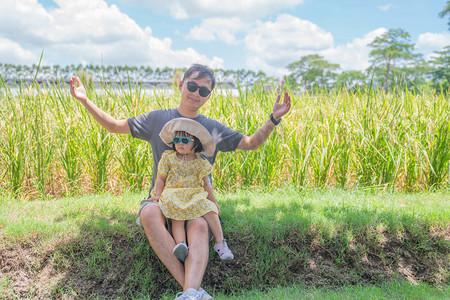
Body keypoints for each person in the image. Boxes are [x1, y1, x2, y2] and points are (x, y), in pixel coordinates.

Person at [69, 63, 291, 300]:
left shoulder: (212, 129)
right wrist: (84, 100)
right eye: (192, 86)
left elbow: (251, 143)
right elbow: (114, 125)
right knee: (148, 214)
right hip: (164, 200)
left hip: (196, 201)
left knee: (201, 226)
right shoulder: (157, 119)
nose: (196, 93)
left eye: (203, 91)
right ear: (181, 84)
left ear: (208, 96)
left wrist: (273, 119)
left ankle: (189, 294)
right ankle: (192, 292)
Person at [151, 118, 234, 263]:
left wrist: (213, 203)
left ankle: (220, 243)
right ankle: (181, 245)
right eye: (177, 140)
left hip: (195, 194)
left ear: (196, 142)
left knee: (210, 209)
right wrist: (158, 194)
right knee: (177, 216)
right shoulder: (168, 158)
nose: (180, 143)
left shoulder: (200, 162)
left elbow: (206, 185)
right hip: (173, 192)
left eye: (184, 140)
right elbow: (161, 179)